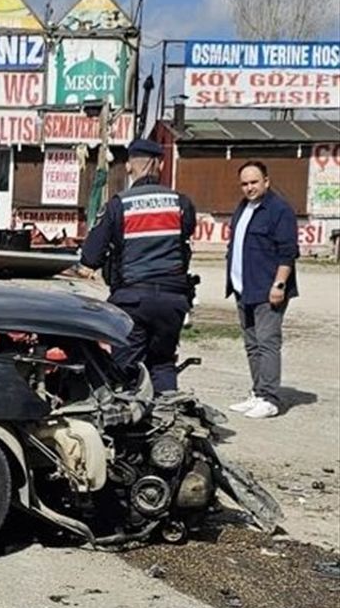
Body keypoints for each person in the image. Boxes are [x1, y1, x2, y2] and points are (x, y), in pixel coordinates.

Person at [79, 138, 196, 394]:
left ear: (130, 166)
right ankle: (168, 421)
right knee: (164, 363)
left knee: (126, 368)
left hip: (132, 301)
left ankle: (131, 427)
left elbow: (90, 257)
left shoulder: (118, 204)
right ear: (161, 164)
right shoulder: (181, 203)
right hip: (172, 300)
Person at [225, 160, 299, 419]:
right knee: (252, 344)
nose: (249, 188)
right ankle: (257, 393)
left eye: (254, 182)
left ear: (266, 181)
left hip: (268, 289)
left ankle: (270, 398)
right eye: (244, 183)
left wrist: (279, 285)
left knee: (267, 343)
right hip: (243, 288)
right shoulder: (243, 207)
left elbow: (288, 253)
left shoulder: (279, 210)